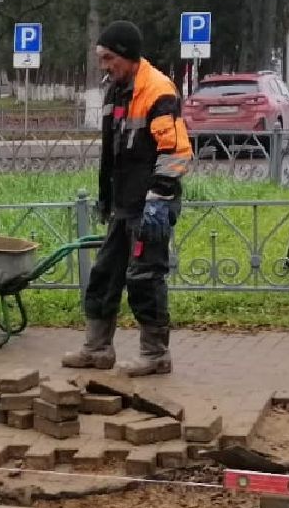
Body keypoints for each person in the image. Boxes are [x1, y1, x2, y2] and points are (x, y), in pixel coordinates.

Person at [62, 20, 192, 376]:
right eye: (102, 60)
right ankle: (97, 348)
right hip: (124, 203)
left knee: (145, 277)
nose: (104, 66)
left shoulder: (158, 91)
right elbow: (111, 152)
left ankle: (155, 355)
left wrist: (159, 199)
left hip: (151, 204)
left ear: (126, 55)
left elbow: (177, 151)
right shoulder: (116, 90)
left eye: (108, 59)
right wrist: (106, 198)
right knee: (105, 274)